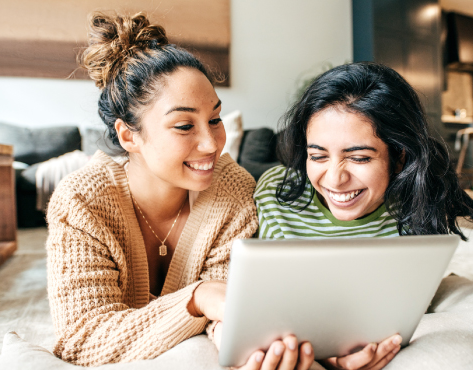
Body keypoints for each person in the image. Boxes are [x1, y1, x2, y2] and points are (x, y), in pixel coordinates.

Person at [46, 13, 314, 370]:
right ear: (129, 136)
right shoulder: (82, 203)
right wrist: (196, 298)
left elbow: (226, 312)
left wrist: (235, 337)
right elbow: (82, 342)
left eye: (215, 120)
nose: (211, 144)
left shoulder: (232, 191)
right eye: (185, 125)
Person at [254, 62, 473, 369]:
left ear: (400, 156)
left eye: (359, 157)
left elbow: (405, 306)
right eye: (317, 155)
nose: (334, 179)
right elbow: (265, 304)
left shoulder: (417, 202)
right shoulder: (277, 193)